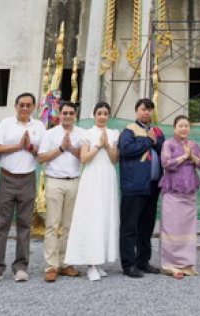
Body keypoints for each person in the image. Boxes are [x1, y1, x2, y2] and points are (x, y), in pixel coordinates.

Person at [0, 92, 45, 283]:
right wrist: (18, 146)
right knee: (2, 224)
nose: (25, 108)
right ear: (15, 106)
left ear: (34, 107)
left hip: (28, 178)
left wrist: (29, 147)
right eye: (21, 105)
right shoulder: (6, 123)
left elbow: (42, 154)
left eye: (29, 105)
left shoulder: (39, 126)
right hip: (7, 178)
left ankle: (21, 266)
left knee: (24, 225)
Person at [65, 101, 121, 281]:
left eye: (105, 113)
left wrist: (108, 145)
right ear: (94, 115)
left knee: (105, 216)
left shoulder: (113, 134)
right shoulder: (88, 134)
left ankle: (99, 260)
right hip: (92, 177)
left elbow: (114, 160)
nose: (103, 116)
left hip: (108, 176)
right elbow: (84, 158)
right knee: (92, 216)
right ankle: (90, 262)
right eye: (100, 113)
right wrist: (98, 145)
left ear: (108, 115)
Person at [36, 101, 85, 282]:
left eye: (71, 113)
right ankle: (51, 265)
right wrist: (61, 149)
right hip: (55, 181)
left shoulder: (81, 134)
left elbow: (85, 157)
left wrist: (71, 148)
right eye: (65, 113)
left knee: (68, 225)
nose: (67, 116)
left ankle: (65, 263)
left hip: (74, 181)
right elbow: (41, 157)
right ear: (60, 114)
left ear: (75, 115)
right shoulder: (50, 134)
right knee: (52, 225)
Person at [118, 97, 165, 278]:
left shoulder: (157, 131)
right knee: (130, 227)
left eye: (149, 109)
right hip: (134, 185)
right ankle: (128, 264)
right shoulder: (129, 131)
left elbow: (164, 150)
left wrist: (155, 141)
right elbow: (127, 150)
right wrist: (148, 141)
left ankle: (143, 261)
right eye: (143, 109)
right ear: (136, 111)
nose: (146, 112)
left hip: (152, 186)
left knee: (147, 226)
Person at [159, 115, 200, 279]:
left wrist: (191, 156)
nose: (184, 129)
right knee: (171, 227)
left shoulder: (193, 144)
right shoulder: (168, 143)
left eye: (186, 126)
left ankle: (187, 263)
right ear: (174, 128)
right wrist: (184, 157)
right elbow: (166, 163)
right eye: (180, 126)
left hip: (189, 190)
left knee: (188, 227)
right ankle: (171, 265)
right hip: (172, 190)